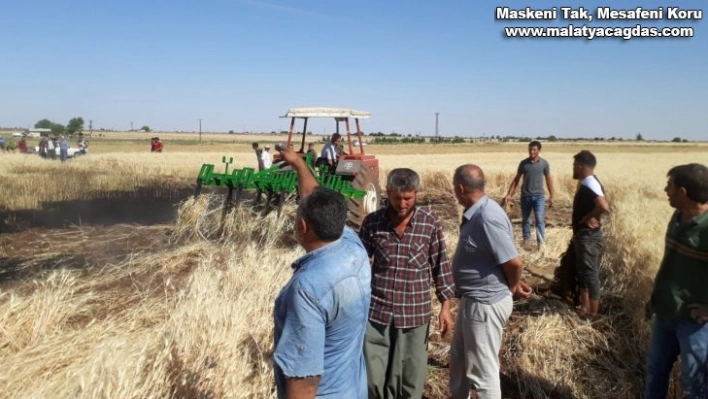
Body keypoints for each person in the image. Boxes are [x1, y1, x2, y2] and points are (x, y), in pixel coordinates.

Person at [272, 147, 372, 399]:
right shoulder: (353, 247)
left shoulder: (308, 287)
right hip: (353, 390)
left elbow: (305, 379)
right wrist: (298, 164)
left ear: (302, 226)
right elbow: (312, 195)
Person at [358, 168, 455, 399]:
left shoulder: (429, 223)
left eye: (408, 198)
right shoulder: (373, 223)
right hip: (377, 314)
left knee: (411, 380)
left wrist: (445, 307)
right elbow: (359, 266)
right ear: (388, 193)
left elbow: (441, 265)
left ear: (416, 194)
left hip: (414, 315)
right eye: (397, 197)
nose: (402, 204)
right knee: (373, 379)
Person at [449, 164, 532, 399]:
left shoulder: (487, 217)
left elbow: (513, 262)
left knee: (483, 374)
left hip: (484, 305)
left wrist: (514, 284)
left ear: (460, 188)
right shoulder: (480, 211)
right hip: (473, 301)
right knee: (459, 362)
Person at [644, 163, 708, 399]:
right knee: (655, 372)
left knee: (694, 385)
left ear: (683, 192)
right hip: (665, 312)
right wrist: (654, 298)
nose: (665, 190)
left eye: (669, 186)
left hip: (694, 324)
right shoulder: (677, 216)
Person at [571, 150, 609, 317]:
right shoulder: (587, 182)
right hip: (583, 236)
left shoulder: (590, 183)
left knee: (590, 273)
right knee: (583, 272)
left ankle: (594, 313)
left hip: (589, 237)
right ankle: (584, 308)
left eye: (574, 165)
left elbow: (604, 206)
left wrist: (587, 217)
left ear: (580, 166)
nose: (573, 168)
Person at [501, 140, 555, 249]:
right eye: (530, 149)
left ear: (539, 150)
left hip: (539, 196)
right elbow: (516, 180)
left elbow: (549, 180)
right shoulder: (523, 164)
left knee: (539, 220)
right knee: (525, 219)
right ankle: (526, 240)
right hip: (525, 196)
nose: (531, 152)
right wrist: (509, 194)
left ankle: (541, 243)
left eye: (534, 150)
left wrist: (552, 196)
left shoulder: (544, 164)